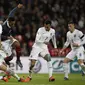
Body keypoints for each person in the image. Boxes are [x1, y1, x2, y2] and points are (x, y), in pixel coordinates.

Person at [1, 4, 23, 68]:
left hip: (9, 38)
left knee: (17, 44)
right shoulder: (3, 27)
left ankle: (18, 60)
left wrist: (17, 7)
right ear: (9, 21)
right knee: (10, 57)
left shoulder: (10, 18)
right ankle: (3, 61)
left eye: (14, 23)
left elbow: (11, 12)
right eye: (12, 24)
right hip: (2, 41)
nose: (13, 25)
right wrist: (7, 37)